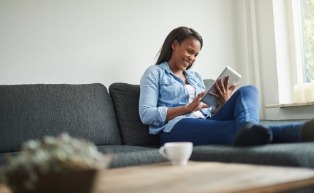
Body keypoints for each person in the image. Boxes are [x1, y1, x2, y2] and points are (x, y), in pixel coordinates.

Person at [139, 26, 314, 146]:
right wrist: (187, 108)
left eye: (196, 55)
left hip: (206, 121)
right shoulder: (154, 73)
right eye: (190, 51)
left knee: (249, 90)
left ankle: (249, 129)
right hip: (175, 129)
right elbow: (146, 115)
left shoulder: (195, 77)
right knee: (231, 129)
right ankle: (298, 131)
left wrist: (223, 103)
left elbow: (209, 112)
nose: (192, 58)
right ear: (175, 45)